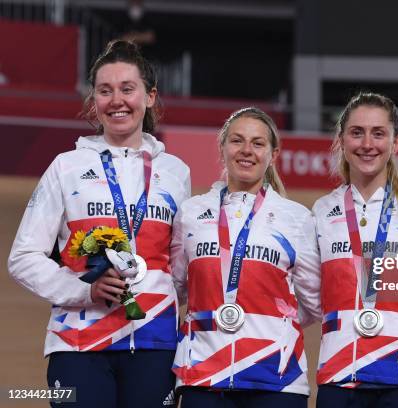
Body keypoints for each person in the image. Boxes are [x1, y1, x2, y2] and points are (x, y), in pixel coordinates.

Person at [8, 40, 191, 408]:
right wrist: (83, 290)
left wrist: (154, 298)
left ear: (150, 96)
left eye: (127, 89)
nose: (116, 100)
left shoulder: (175, 173)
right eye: (105, 91)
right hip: (77, 343)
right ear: (94, 100)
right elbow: (23, 256)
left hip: (154, 343)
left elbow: (182, 266)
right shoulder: (66, 167)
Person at [170, 107, 320, 408]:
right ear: (222, 147)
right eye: (237, 141)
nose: (247, 151)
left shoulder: (296, 218)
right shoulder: (191, 212)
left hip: (277, 379)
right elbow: (175, 288)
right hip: (203, 375)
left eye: (258, 143)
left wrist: (271, 324)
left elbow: (314, 301)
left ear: (273, 155)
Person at [313, 92, 398, 408]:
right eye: (357, 132)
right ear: (342, 140)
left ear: (396, 143)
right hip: (339, 373)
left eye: (378, 133)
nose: (367, 144)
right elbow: (310, 292)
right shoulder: (322, 211)